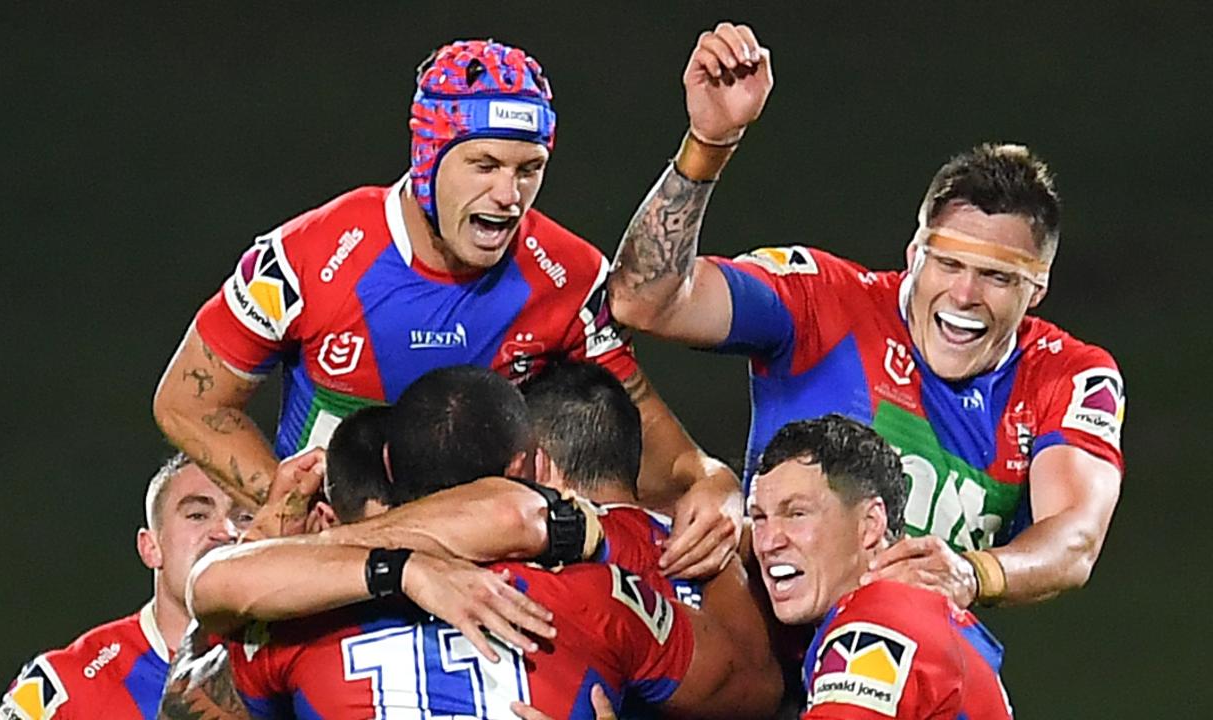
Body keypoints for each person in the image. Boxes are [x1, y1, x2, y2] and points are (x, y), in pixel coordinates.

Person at [152, 38, 741, 578]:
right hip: (329, 572)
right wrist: (288, 499)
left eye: (528, 169)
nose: (508, 197)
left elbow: (648, 433)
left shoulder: (567, 275)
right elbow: (188, 401)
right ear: (428, 160)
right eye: (483, 165)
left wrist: (709, 481)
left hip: (484, 580)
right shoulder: (308, 258)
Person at [606, 22, 1124, 610]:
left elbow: (1076, 541)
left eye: (998, 278)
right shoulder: (824, 299)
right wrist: (707, 144)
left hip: (892, 671)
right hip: (750, 645)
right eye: (947, 264)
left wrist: (971, 573)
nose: (964, 294)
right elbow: (642, 301)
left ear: (1038, 289)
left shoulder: (1068, 376)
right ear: (913, 257)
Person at [164, 365, 781, 719]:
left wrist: (277, 535)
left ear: (391, 472)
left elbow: (186, 701)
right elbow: (753, 688)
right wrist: (718, 539)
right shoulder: (599, 592)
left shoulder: (298, 612)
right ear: (537, 469)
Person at [750, 415, 1011, 718]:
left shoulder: (874, 626)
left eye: (796, 514)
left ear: (871, 524)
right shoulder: (912, 611)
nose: (768, 542)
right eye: (759, 518)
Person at [0, 455, 251, 719]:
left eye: (244, 516)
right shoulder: (65, 687)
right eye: (198, 515)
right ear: (151, 548)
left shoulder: (290, 657)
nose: (226, 531)